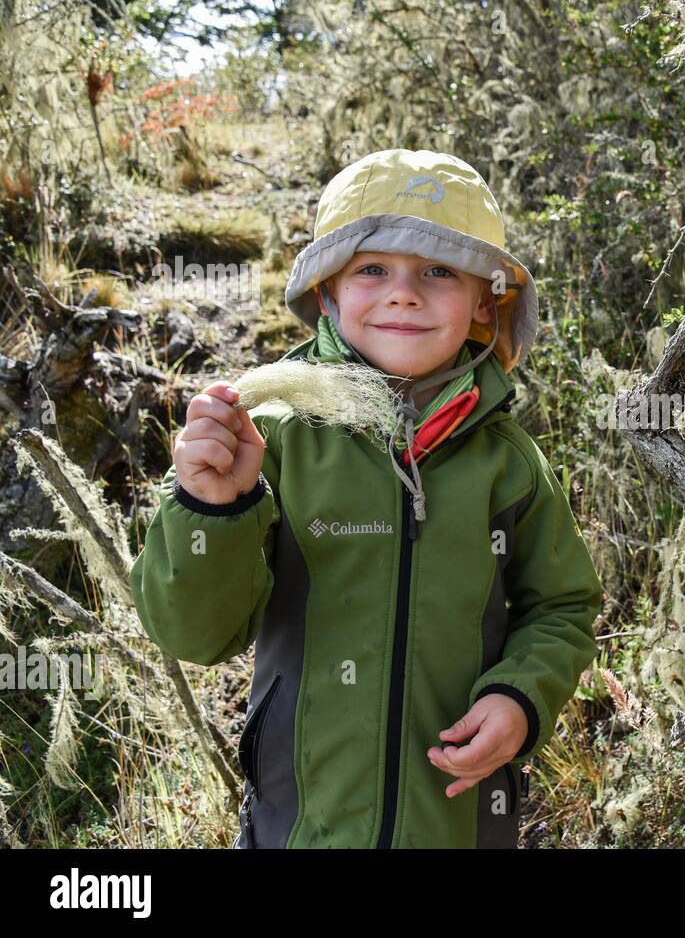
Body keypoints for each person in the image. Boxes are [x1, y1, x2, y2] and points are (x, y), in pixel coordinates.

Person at [129, 149, 605, 848]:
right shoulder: (272, 440)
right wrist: (212, 509)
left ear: (484, 301)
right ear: (327, 292)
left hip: (463, 825)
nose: (404, 293)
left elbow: (562, 607)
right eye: (371, 269)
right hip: (300, 829)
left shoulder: (510, 464)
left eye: (439, 270)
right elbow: (194, 634)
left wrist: (520, 698)